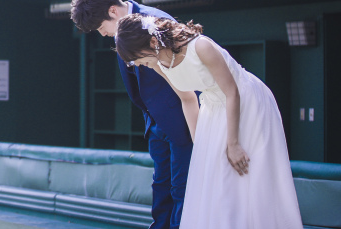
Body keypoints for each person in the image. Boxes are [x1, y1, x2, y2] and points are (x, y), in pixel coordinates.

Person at [114, 14, 302, 229]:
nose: (138, 64)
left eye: (138, 58)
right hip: (212, 108)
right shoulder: (157, 64)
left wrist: (233, 143)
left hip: (247, 102)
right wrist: (199, 142)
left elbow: (232, 92)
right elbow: (187, 98)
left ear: (154, 42)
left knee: (244, 171)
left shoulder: (201, 47)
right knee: (212, 175)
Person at [71, 0, 193, 229]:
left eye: (101, 27)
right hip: (157, 125)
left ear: (113, 11)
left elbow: (191, 80)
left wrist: (195, 131)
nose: (102, 33)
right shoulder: (122, 27)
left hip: (183, 124)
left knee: (182, 191)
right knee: (162, 191)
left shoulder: (156, 22)